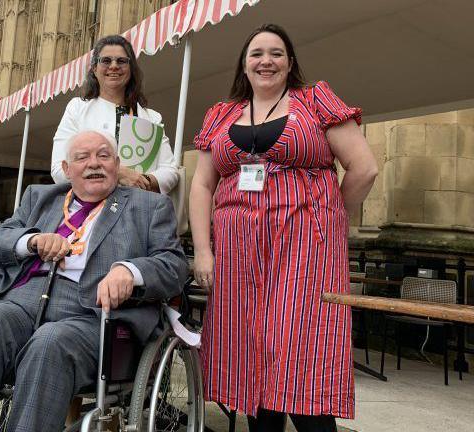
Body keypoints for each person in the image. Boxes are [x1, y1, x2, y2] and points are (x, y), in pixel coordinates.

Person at [0, 130, 188, 432]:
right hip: (23, 302)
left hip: (92, 316)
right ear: (66, 170)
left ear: (116, 164)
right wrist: (32, 240)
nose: (94, 164)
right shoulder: (39, 197)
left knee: (50, 343)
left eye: (104, 156)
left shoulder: (148, 207)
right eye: (82, 157)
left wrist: (130, 271)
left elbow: (174, 266)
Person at [189, 24, 378, 431]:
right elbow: (203, 185)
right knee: (250, 349)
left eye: (277, 53)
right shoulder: (220, 114)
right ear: (244, 64)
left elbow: (364, 167)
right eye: (257, 53)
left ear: (290, 63)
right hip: (238, 252)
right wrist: (204, 250)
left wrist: (329, 217)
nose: (266, 60)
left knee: (299, 346)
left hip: (304, 247)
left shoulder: (315, 101)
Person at [52, 35, 179, 194]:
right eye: (106, 61)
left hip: (136, 207)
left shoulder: (151, 117)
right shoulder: (77, 108)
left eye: (121, 61)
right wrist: (117, 173)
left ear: (131, 69)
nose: (114, 66)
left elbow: (170, 172)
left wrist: (140, 179)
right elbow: (59, 169)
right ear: (94, 69)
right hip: (89, 211)